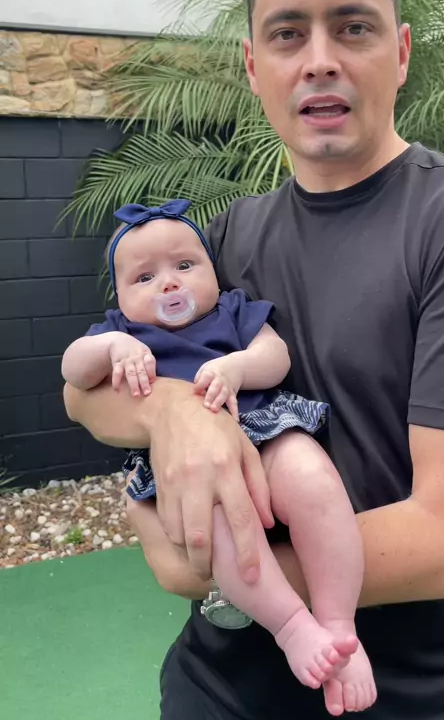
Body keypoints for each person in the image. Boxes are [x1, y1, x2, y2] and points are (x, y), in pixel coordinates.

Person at [63, 0, 444, 720]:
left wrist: (218, 574)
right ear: (255, 67)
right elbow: (85, 393)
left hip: (397, 695)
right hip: (214, 689)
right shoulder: (220, 240)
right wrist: (173, 413)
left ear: (399, 53)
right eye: (289, 34)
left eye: (353, 28)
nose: (319, 60)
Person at [61, 198, 376, 714]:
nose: (169, 284)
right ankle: (292, 626)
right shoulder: (123, 332)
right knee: (220, 534)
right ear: (119, 296)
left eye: (185, 265)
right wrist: (112, 348)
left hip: (265, 428)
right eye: (145, 277)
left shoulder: (232, 310)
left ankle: (340, 624)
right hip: (188, 472)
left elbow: (276, 357)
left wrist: (238, 367)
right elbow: (74, 373)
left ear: (212, 270)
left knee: (315, 481)